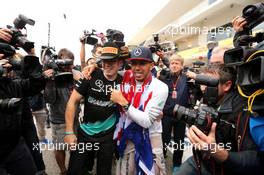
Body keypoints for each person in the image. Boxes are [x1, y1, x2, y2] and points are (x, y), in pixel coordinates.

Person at [176, 56, 264, 174]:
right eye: (201, 81)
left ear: (227, 85)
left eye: (208, 82)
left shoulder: (244, 110)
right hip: (202, 161)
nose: (203, 87)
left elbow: (257, 161)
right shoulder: (209, 98)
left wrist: (216, 151)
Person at [65, 42, 123, 175]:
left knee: (104, 171)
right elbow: (72, 102)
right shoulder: (90, 75)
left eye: (112, 61)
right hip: (85, 133)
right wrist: (69, 132)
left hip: (108, 135)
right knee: (74, 170)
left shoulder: (123, 81)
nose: (107, 64)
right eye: (105, 61)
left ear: (120, 63)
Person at [111, 46, 168, 174]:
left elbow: (146, 121)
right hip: (128, 137)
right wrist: (91, 68)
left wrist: (122, 101)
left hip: (151, 139)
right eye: (134, 63)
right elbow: (108, 72)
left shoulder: (160, 87)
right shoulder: (126, 77)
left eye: (142, 63)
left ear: (152, 65)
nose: (137, 67)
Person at [0, 41, 46, 174]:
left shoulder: (14, 84)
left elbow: (36, 85)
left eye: (8, 60)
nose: (6, 63)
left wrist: (32, 66)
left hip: (15, 145)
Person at [44, 48, 77, 175]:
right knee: (60, 148)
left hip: (74, 119)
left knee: (74, 147)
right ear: (59, 62)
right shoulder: (52, 76)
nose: (70, 66)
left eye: (71, 63)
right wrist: (50, 80)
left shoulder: (74, 73)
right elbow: (49, 99)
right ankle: (63, 171)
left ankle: (74, 169)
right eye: (67, 64)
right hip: (59, 121)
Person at [159, 54, 189, 173]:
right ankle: (161, 159)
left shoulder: (187, 77)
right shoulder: (164, 77)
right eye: (172, 63)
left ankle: (177, 163)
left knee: (179, 141)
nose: (174, 65)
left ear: (182, 66)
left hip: (181, 115)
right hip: (166, 114)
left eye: (177, 63)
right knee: (164, 139)